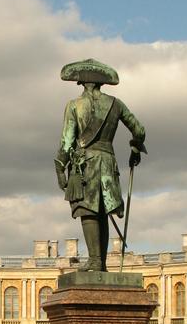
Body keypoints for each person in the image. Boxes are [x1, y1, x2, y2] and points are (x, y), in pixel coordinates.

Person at [54, 59, 146, 272]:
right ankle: (100, 263)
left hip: (84, 166)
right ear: (101, 84)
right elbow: (139, 130)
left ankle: (95, 261)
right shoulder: (116, 104)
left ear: (83, 83)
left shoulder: (74, 105)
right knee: (102, 212)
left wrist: (60, 168)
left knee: (88, 212)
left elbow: (67, 142)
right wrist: (134, 149)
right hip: (107, 164)